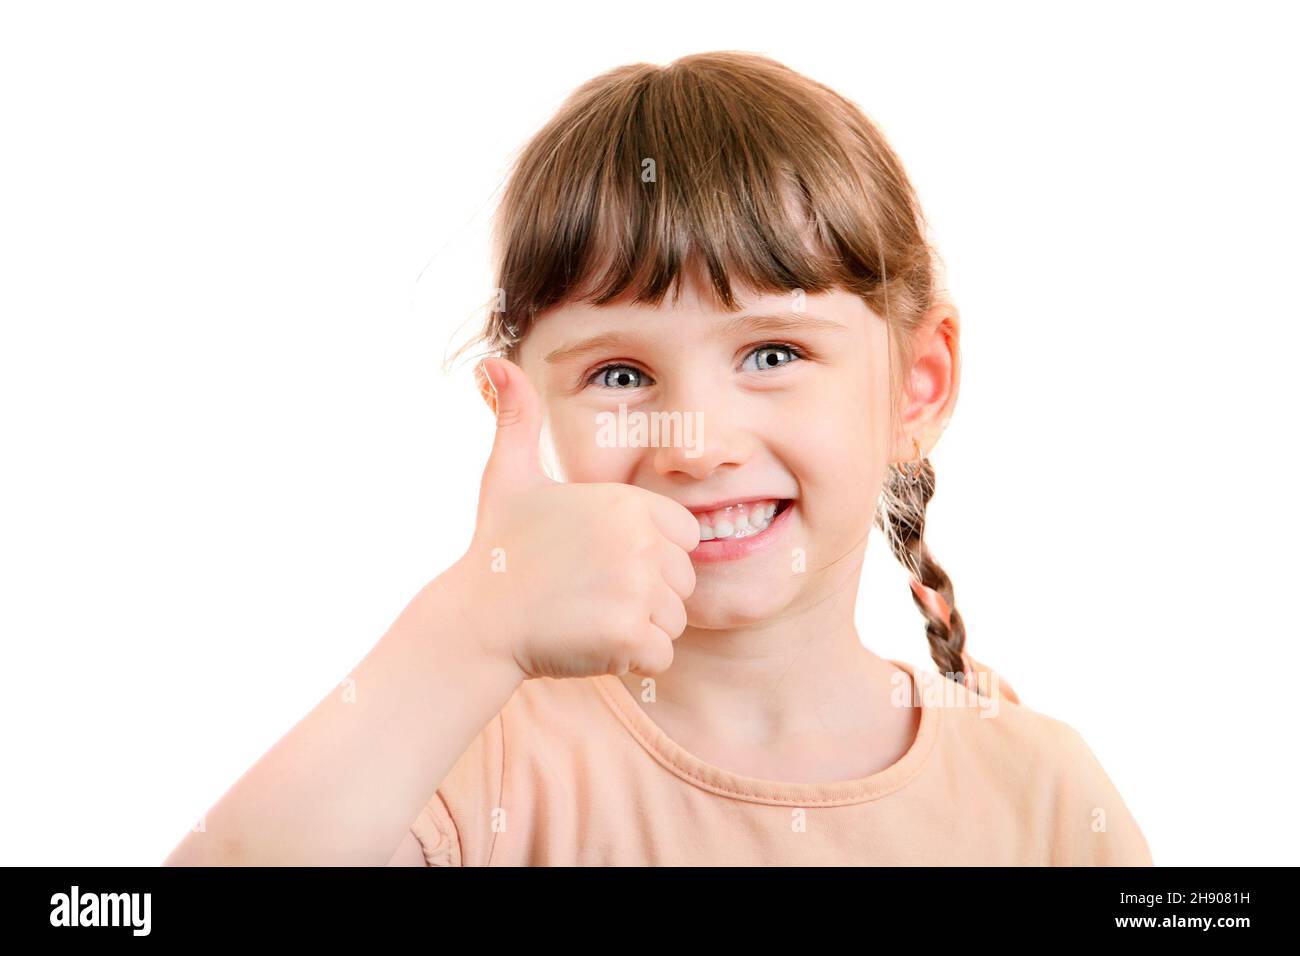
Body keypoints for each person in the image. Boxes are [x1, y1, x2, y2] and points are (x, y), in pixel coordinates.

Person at [163, 50, 1152, 867]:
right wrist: (468, 625)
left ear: (916, 387)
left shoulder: (1041, 795)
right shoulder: (476, 761)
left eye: (773, 353)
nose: (697, 442)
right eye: (622, 373)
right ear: (529, 397)